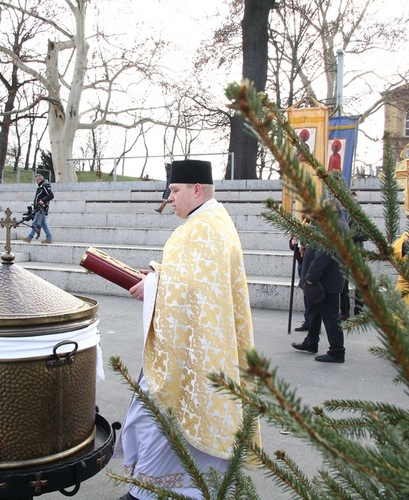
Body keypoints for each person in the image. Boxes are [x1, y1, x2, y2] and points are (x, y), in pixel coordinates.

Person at [120, 159, 256, 500]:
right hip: (202, 344)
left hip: (191, 355)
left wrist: (152, 286)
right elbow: (193, 281)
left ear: (197, 189)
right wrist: (156, 275)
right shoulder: (211, 220)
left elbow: (192, 290)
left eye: (176, 190)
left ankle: (148, 492)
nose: (170, 198)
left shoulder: (203, 228)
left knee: (158, 418)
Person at [291, 199, 348, 363]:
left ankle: (337, 351)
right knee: (315, 312)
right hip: (324, 278)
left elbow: (324, 253)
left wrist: (311, 277)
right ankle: (311, 341)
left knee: (331, 317)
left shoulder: (335, 225)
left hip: (326, 280)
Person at [21, 173, 54, 244]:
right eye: (36, 180)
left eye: (37, 180)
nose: (36, 182)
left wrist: (43, 200)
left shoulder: (45, 185)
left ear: (41, 179)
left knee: (35, 222)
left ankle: (29, 237)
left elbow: (51, 195)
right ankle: (49, 237)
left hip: (41, 208)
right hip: (38, 208)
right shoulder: (40, 187)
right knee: (43, 223)